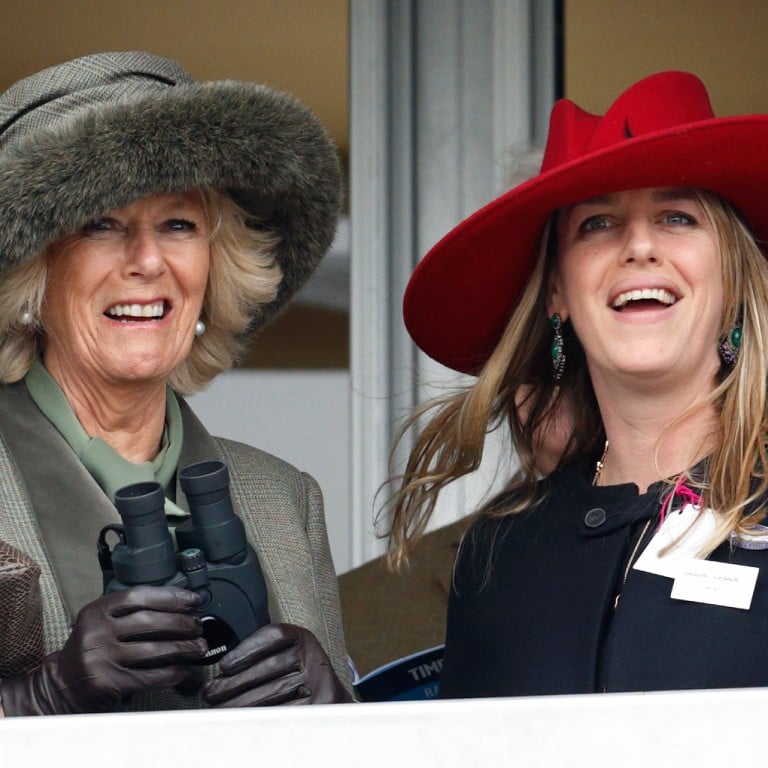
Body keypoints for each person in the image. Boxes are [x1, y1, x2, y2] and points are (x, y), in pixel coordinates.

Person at [387, 70, 768, 697]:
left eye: (676, 216)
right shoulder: (500, 551)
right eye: (598, 224)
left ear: (732, 276)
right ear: (557, 291)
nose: (640, 246)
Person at [0, 51, 352, 715]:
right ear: (30, 270)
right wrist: (37, 700)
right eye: (101, 223)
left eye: (179, 223)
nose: (147, 261)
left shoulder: (283, 502)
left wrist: (335, 712)